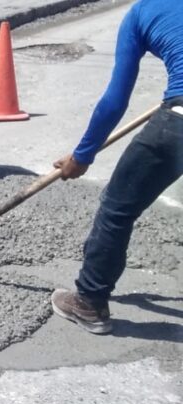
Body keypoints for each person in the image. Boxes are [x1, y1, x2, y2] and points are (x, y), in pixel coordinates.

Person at [51, 0, 183, 334]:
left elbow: (114, 101)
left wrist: (81, 157)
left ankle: (89, 301)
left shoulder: (140, 14)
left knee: (117, 208)